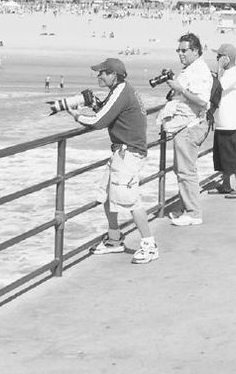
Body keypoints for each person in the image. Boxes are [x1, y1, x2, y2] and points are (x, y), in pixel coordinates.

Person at [73, 58, 159, 265]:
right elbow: (110, 113)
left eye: (102, 73)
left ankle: (149, 245)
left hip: (128, 153)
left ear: (114, 74)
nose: (98, 76)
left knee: (130, 200)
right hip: (122, 151)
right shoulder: (122, 90)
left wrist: (76, 115)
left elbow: (98, 121)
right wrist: (97, 105)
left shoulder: (121, 91)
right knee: (107, 195)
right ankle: (114, 239)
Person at [159, 32, 213, 226]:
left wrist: (179, 89)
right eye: (178, 50)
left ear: (195, 50)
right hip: (186, 124)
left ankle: (193, 213)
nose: (180, 54)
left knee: (186, 170)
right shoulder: (191, 69)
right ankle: (186, 207)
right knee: (181, 168)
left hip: (191, 125)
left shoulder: (199, 71)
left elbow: (202, 101)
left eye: (184, 50)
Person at [211, 43, 236, 199]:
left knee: (231, 154)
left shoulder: (235, 72)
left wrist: (219, 69)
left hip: (231, 122)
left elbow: (219, 86)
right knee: (221, 155)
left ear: (226, 58)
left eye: (219, 57)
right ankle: (226, 185)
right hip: (222, 121)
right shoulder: (227, 72)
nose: (217, 59)